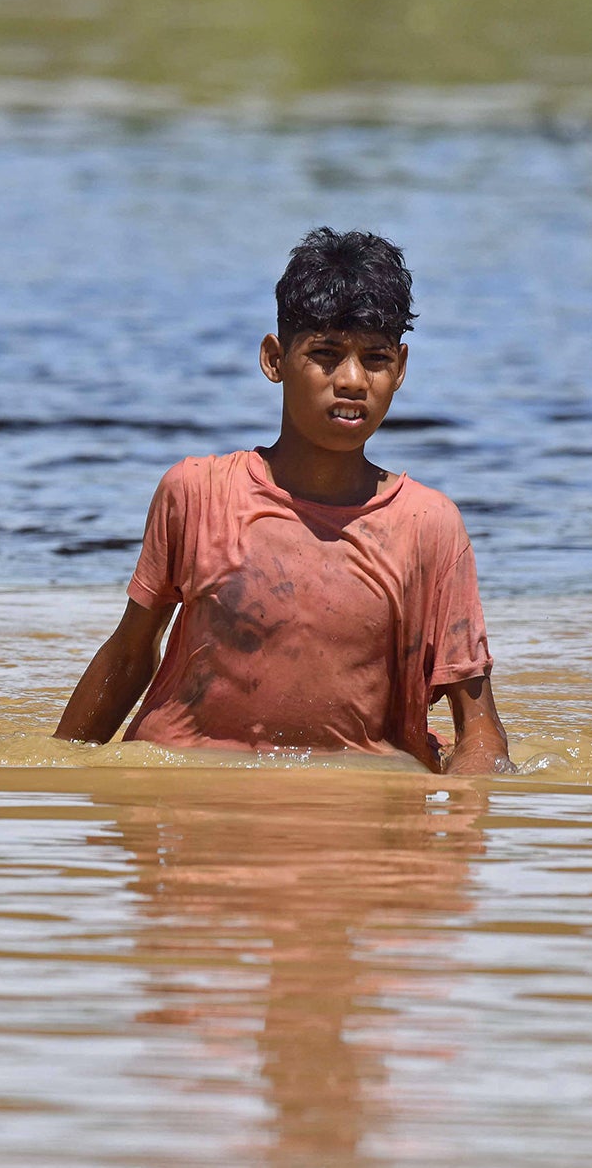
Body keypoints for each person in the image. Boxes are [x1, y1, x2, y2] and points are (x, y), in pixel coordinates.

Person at [53, 228, 515, 774]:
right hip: (185, 789)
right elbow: (131, 655)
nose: (351, 380)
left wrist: (460, 823)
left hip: (356, 800)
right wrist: (59, 778)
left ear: (401, 368)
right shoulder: (197, 492)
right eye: (324, 354)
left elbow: (478, 727)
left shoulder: (428, 525)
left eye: (375, 358)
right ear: (274, 359)